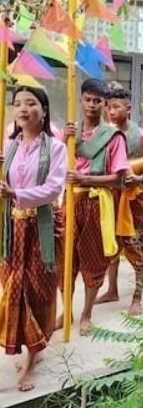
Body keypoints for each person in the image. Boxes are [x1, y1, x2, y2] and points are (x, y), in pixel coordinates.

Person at [0, 86, 66, 391]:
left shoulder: (55, 148)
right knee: (14, 289)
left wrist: (15, 194)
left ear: (43, 111)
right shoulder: (7, 148)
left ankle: (32, 360)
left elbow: (53, 188)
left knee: (39, 292)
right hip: (12, 229)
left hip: (41, 228)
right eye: (17, 103)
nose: (22, 108)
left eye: (30, 103)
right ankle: (32, 347)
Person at [61, 78, 128, 334]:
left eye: (97, 101)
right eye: (87, 99)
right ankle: (66, 312)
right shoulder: (69, 133)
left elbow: (120, 178)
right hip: (69, 200)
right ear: (80, 100)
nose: (91, 105)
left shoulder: (113, 137)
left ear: (104, 104)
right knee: (65, 261)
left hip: (96, 202)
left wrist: (86, 178)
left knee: (93, 259)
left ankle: (87, 313)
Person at [103, 83, 143, 313]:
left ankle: (137, 297)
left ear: (128, 108)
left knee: (136, 244)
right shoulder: (106, 134)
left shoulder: (138, 135)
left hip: (135, 198)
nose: (111, 111)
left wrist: (138, 179)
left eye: (116, 106)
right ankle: (112, 289)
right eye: (109, 107)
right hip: (113, 194)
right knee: (112, 243)